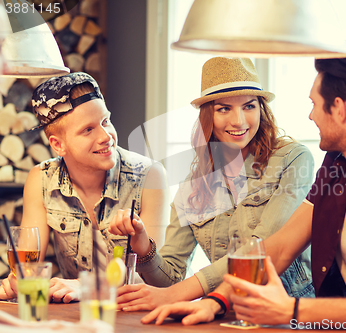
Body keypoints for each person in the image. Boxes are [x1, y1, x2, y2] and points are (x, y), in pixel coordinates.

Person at [140, 40, 346, 332]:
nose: (310, 116)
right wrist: (215, 301)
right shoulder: (337, 166)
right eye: (224, 108)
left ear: (340, 110)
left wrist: (291, 310)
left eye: (314, 103)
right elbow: (279, 247)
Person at [116, 57, 315, 312]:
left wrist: (178, 294)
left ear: (262, 109)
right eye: (224, 109)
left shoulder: (293, 159)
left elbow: (259, 249)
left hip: (290, 314)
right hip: (223, 313)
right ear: (208, 115)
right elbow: (170, 280)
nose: (239, 121)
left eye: (249, 106)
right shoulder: (194, 186)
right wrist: (142, 244)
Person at [0, 72, 168, 303]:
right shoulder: (40, 179)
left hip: (143, 315)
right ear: (58, 145)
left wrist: (87, 286)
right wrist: (18, 282)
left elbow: (158, 275)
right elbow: (28, 268)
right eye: (88, 130)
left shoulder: (150, 176)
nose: (106, 136)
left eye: (105, 121)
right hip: (78, 316)